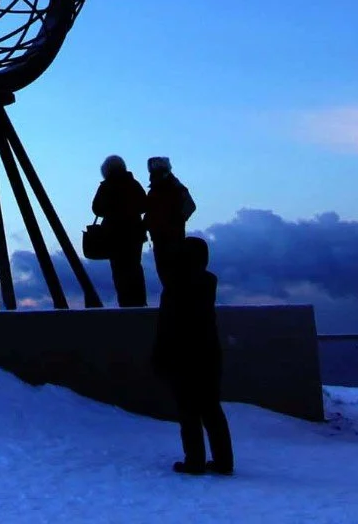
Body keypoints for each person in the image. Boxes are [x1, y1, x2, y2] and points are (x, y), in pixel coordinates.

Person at [151, 236, 232, 476]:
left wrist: (160, 355)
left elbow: (167, 325)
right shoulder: (207, 283)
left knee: (188, 411)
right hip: (208, 354)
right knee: (211, 409)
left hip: (183, 355)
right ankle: (223, 461)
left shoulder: (175, 287)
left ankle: (194, 461)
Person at [91, 154, 150, 307]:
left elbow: (96, 208)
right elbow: (144, 205)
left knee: (119, 271)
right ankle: (140, 302)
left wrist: (112, 210)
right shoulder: (133, 184)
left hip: (114, 235)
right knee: (135, 268)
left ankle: (125, 303)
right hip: (134, 234)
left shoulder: (106, 186)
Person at [144, 156, 196, 285]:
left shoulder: (175, 188)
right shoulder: (155, 191)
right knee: (166, 274)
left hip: (173, 237)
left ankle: (175, 301)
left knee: (173, 274)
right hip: (159, 236)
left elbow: (190, 206)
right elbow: (150, 213)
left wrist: (176, 220)